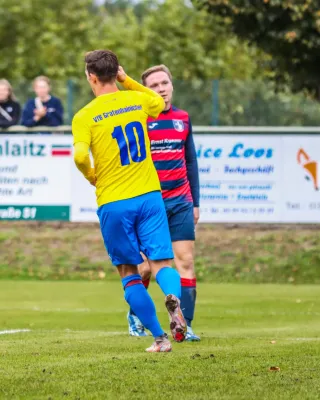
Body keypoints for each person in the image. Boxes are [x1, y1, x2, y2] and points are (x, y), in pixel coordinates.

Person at [72, 50, 187, 353]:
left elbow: (80, 156)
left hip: (114, 201)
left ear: (91, 77)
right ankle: (175, 304)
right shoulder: (136, 100)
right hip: (149, 195)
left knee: (129, 272)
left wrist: (91, 175)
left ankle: (160, 339)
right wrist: (128, 81)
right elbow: (159, 103)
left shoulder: (85, 116)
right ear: (116, 73)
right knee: (162, 263)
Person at [127, 65, 201, 342]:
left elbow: (191, 161)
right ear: (146, 90)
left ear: (172, 84)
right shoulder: (139, 120)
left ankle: (185, 324)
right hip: (149, 204)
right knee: (145, 268)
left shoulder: (183, 118)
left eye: (164, 82)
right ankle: (136, 316)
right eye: (154, 85)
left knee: (186, 261)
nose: (161, 89)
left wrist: (195, 202)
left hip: (180, 201)